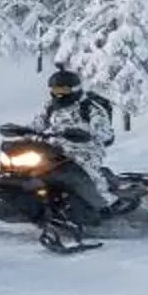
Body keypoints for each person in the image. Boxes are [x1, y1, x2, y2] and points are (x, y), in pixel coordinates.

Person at [29, 65, 122, 218]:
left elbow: (105, 133)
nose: (59, 94)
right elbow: (37, 125)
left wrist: (85, 134)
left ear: (75, 89)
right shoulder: (50, 106)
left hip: (84, 149)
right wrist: (23, 131)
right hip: (54, 148)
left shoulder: (90, 107)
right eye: (56, 90)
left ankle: (107, 204)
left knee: (82, 171)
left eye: (64, 90)